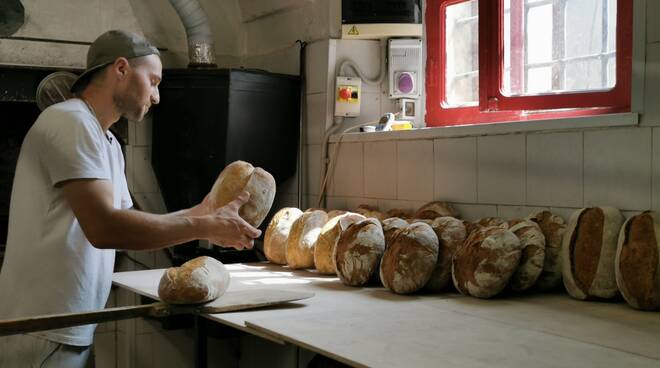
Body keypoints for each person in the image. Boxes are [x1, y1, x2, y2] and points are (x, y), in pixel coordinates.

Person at [0, 30, 261, 367]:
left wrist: (204, 213)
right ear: (121, 68)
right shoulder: (70, 121)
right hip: (39, 328)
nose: (156, 97)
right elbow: (106, 228)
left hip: (69, 327)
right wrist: (200, 226)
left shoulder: (107, 142)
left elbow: (127, 219)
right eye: (152, 81)